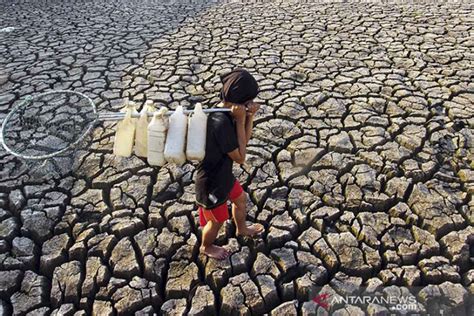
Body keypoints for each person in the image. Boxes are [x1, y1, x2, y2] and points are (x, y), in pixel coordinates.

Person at [195, 68, 265, 260]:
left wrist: (248, 117)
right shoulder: (220, 122)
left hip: (224, 176)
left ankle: (241, 229)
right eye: (248, 100)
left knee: (240, 199)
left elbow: (244, 140)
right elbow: (241, 156)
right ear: (240, 99)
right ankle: (206, 246)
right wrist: (241, 119)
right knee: (216, 222)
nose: (250, 104)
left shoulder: (228, 113)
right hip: (211, 183)